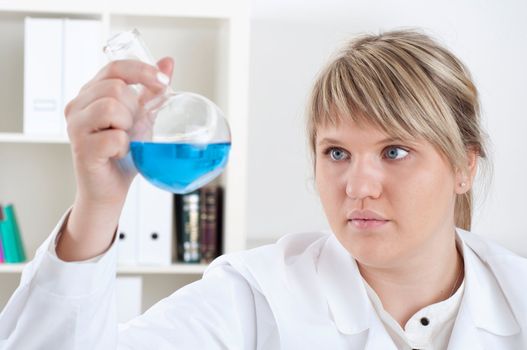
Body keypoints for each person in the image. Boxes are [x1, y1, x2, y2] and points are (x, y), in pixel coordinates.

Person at [0, 28, 526, 350]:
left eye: (394, 152)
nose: (358, 186)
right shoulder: (254, 297)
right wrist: (98, 204)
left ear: (464, 166)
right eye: (336, 153)